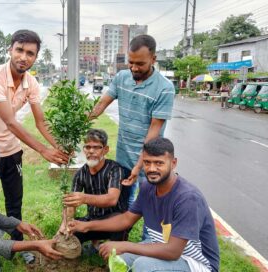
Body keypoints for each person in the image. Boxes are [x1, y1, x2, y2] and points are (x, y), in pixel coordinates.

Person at [0, 29, 68, 263]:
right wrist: (44, 150)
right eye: (19, 50)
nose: (23, 57)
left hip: (12, 152)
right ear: (10, 50)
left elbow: (40, 121)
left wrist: (59, 145)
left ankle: (19, 246)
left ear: (35, 57)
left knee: (15, 204)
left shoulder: (31, 83)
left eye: (30, 53)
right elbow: (10, 122)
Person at [68, 137, 220, 272]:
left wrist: (124, 245)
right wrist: (87, 226)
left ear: (173, 163)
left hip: (196, 264)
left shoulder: (187, 197)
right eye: (147, 162)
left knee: (143, 266)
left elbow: (173, 251)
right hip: (161, 245)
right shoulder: (148, 187)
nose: (152, 168)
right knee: (121, 259)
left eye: (159, 163)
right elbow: (126, 219)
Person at [90, 34, 175, 206]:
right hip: (123, 155)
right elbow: (101, 105)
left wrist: (139, 165)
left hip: (149, 158)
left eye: (140, 63)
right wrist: (79, 122)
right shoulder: (122, 77)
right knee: (123, 202)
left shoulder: (165, 88)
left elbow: (153, 132)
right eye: (131, 62)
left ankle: (148, 233)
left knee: (151, 205)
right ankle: (123, 233)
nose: (134, 68)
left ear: (153, 59)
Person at [59, 129, 130, 253]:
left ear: (105, 149)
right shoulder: (80, 174)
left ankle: (118, 249)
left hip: (113, 221)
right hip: (91, 221)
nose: (91, 151)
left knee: (120, 223)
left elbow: (112, 199)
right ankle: (92, 246)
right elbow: (71, 204)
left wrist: (84, 198)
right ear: (84, 149)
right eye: (87, 147)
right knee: (72, 230)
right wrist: (65, 224)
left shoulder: (115, 169)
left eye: (96, 147)